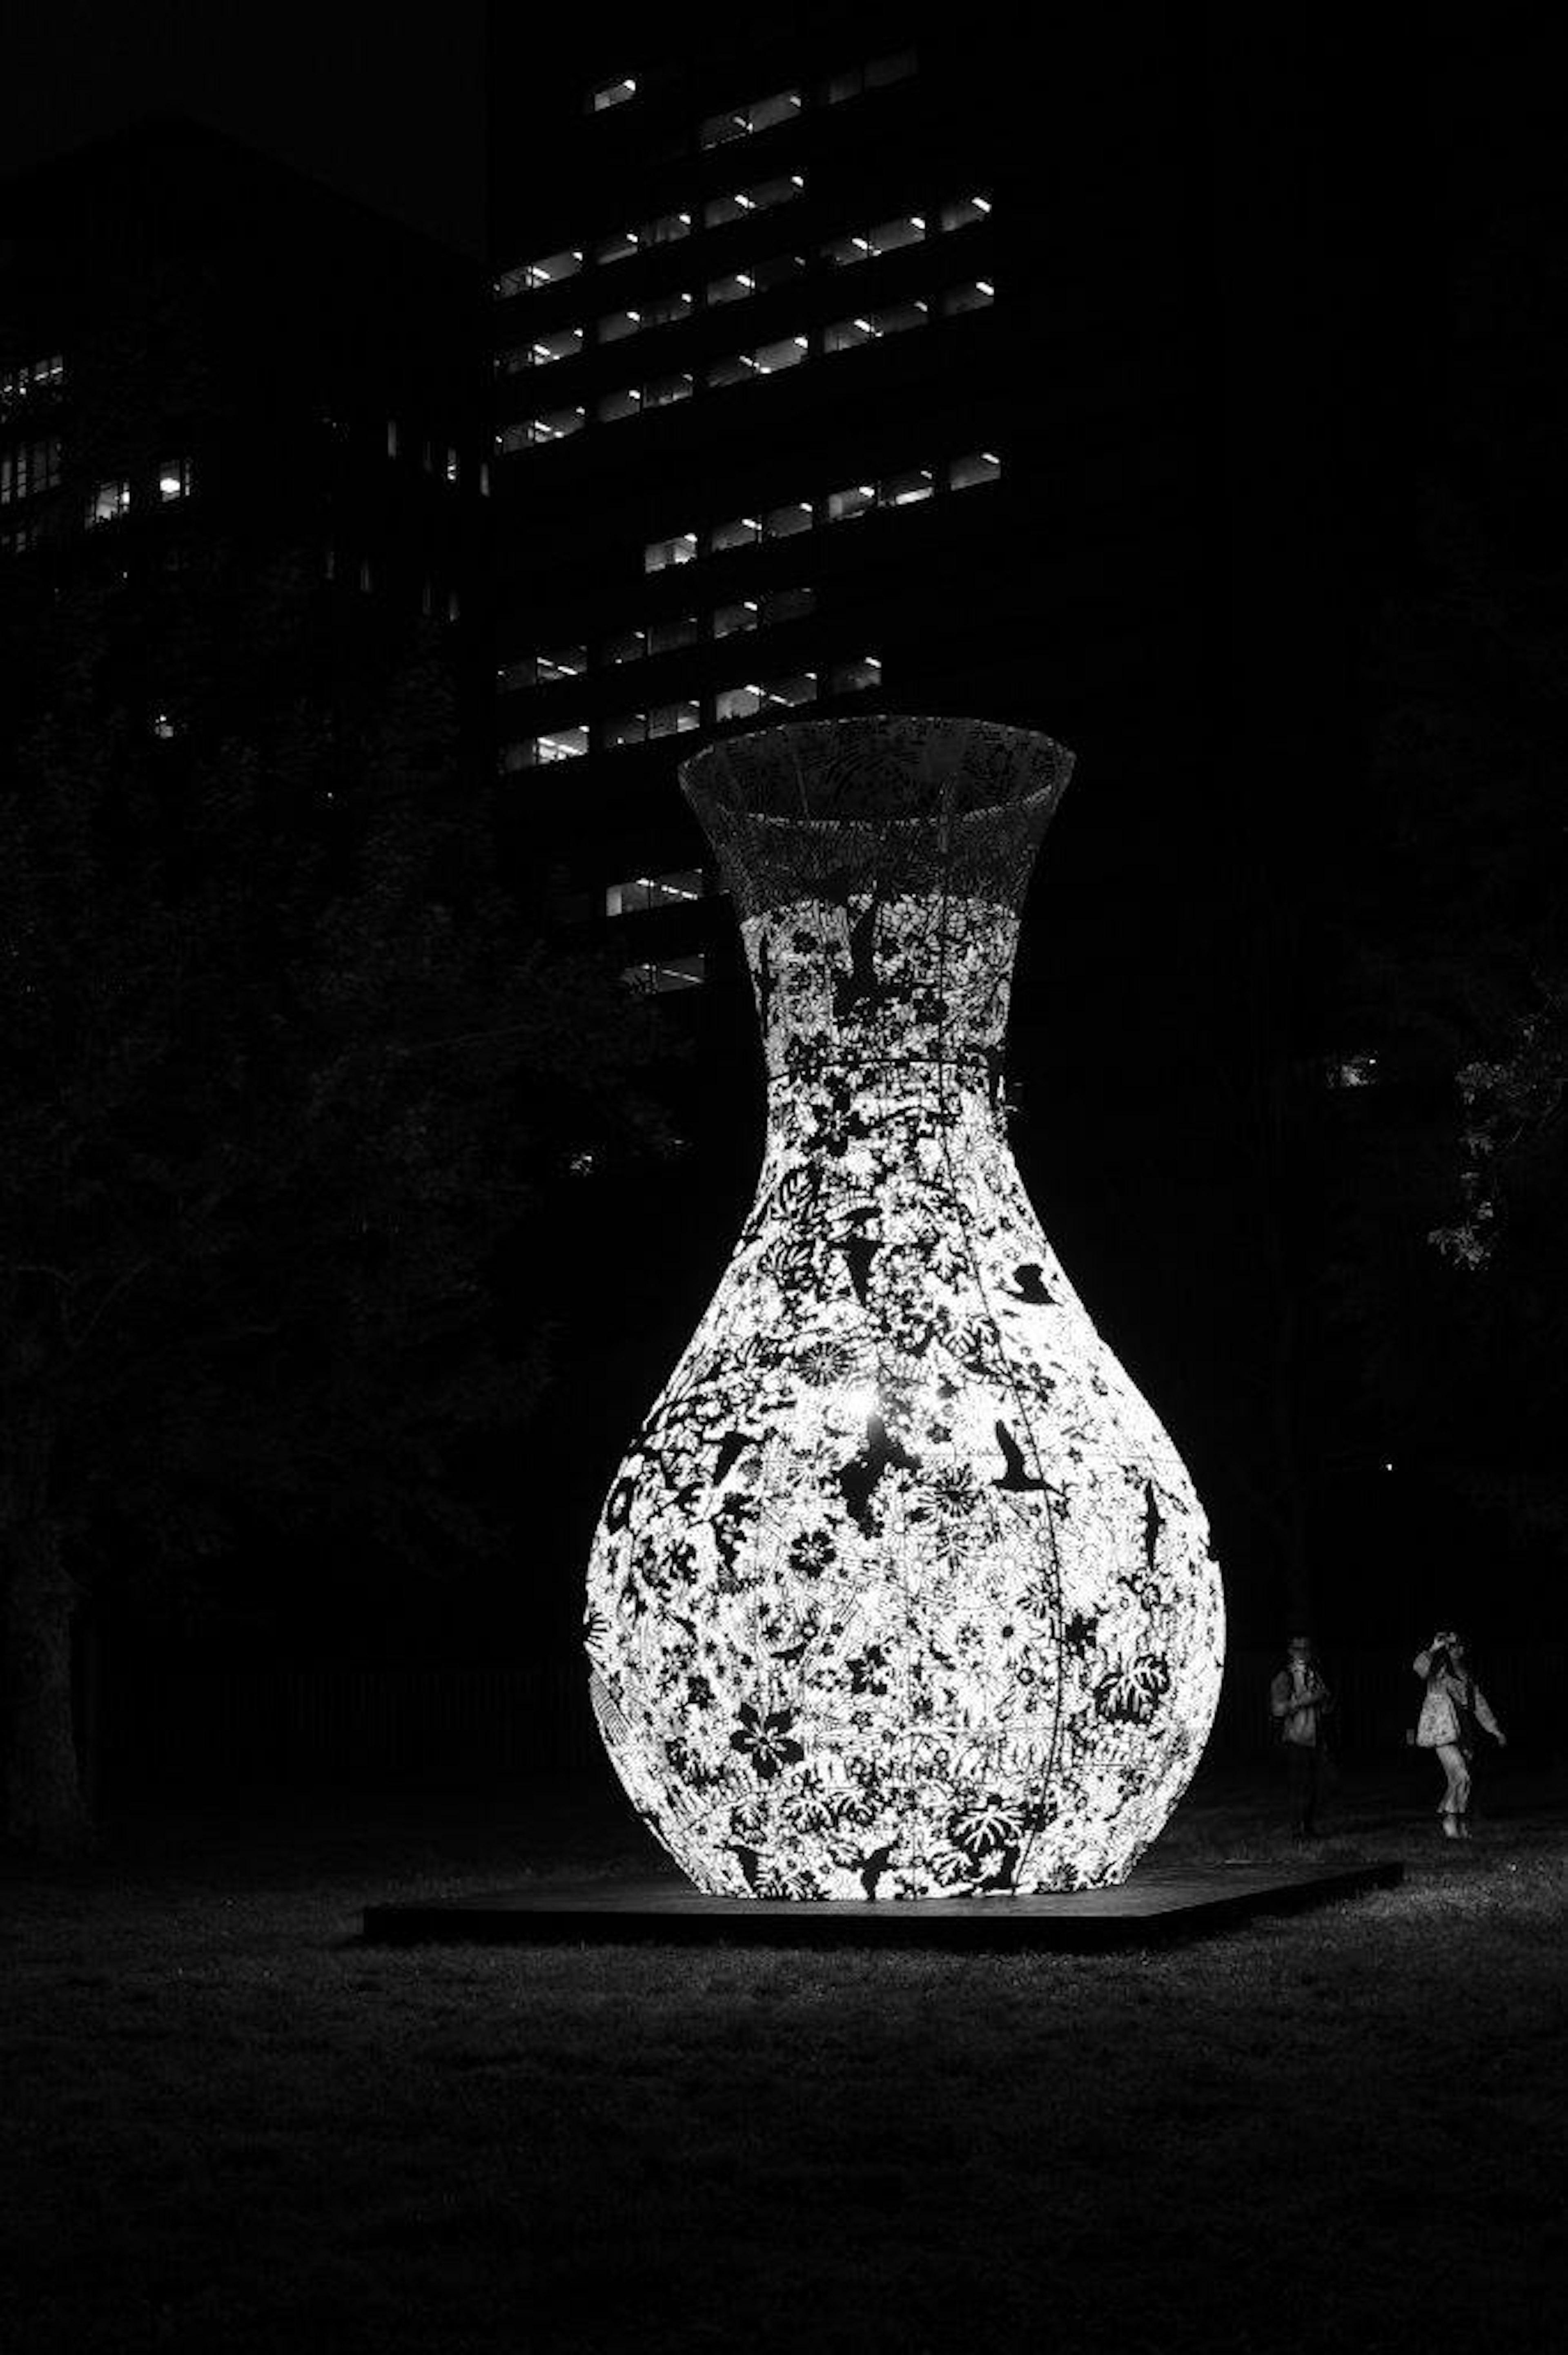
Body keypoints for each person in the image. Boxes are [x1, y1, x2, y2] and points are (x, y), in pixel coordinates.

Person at [1413, 1631, 1506, 1838]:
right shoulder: (1436, 1668)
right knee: (1461, 1774)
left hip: (1463, 1731)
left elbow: (1479, 1704)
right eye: (1455, 1646)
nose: (1460, 1650)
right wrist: (1433, 1648)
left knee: (1459, 1780)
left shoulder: (1465, 1674)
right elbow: (1419, 1668)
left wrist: (1494, 1729)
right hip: (1441, 1731)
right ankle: (1450, 1820)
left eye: (1462, 1646)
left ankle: (1459, 1822)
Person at [1270, 1634, 1334, 1840]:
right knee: (1300, 1786)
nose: (1303, 1653)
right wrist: (1306, 1700)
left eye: (1307, 1649)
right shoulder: (1285, 1677)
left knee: (1315, 1786)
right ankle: (1297, 1829)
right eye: (1298, 1649)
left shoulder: (1315, 1675)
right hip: (1295, 1739)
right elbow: (1278, 1710)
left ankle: (1308, 1826)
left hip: (1315, 1737)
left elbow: (1326, 1706)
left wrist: (1324, 1702)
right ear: (1291, 1651)